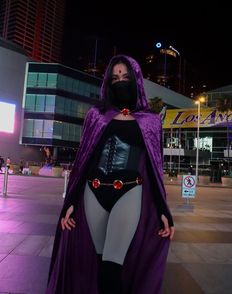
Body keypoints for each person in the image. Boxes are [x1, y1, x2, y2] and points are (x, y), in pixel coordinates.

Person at [46, 55, 174, 294]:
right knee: (100, 260)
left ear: (135, 80)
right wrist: (70, 202)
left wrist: (163, 210)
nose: (120, 81)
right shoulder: (96, 115)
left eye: (125, 77)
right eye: (115, 77)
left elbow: (155, 167)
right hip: (92, 191)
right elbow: (85, 158)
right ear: (107, 81)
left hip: (128, 192)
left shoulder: (151, 121)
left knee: (113, 264)